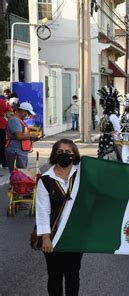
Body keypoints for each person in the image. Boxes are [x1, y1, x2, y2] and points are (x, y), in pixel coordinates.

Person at [36, 138, 82, 296]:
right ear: (54, 155)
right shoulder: (46, 180)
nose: (64, 155)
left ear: (74, 155)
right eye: (60, 152)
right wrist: (45, 237)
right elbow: (42, 210)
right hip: (54, 235)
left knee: (73, 275)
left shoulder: (82, 174)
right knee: (55, 276)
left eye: (68, 152)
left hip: (75, 235)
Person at [5, 103, 41, 173]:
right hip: (15, 151)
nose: (27, 115)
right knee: (18, 175)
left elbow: (23, 135)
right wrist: (31, 136)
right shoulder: (14, 120)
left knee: (21, 175)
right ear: (22, 111)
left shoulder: (19, 121)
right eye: (27, 113)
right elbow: (19, 136)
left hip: (20, 151)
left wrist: (34, 138)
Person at [97, 86, 121, 160]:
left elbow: (117, 131)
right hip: (103, 140)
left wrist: (118, 141)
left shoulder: (113, 117)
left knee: (111, 157)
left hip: (111, 141)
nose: (103, 107)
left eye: (104, 105)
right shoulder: (104, 116)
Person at [0, 92, 13, 167]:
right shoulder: (5, 103)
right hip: (3, 126)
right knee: (3, 145)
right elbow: (10, 114)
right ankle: (4, 162)